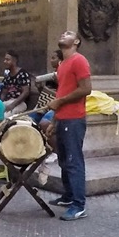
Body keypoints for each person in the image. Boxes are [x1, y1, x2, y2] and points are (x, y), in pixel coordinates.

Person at [46, 31, 92, 221]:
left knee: (74, 162)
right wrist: (54, 121)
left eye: (68, 34)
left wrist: (61, 102)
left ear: (76, 41)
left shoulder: (79, 60)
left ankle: (79, 206)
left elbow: (86, 89)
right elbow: (61, 94)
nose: (63, 34)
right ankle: (68, 196)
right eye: (63, 33)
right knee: (64, 160)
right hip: (63, 119)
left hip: (74, 119)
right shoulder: (63, 64)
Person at [0, 50, 31, 117]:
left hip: (20, 103)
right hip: (8, 102)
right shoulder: (7, 76)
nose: (5, 61)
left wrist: (13, 105)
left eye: (7, 60)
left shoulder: (22, 74)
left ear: (14, 61)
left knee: (5, 116)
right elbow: (4, 93)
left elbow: (25, 92)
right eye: (5, 59)